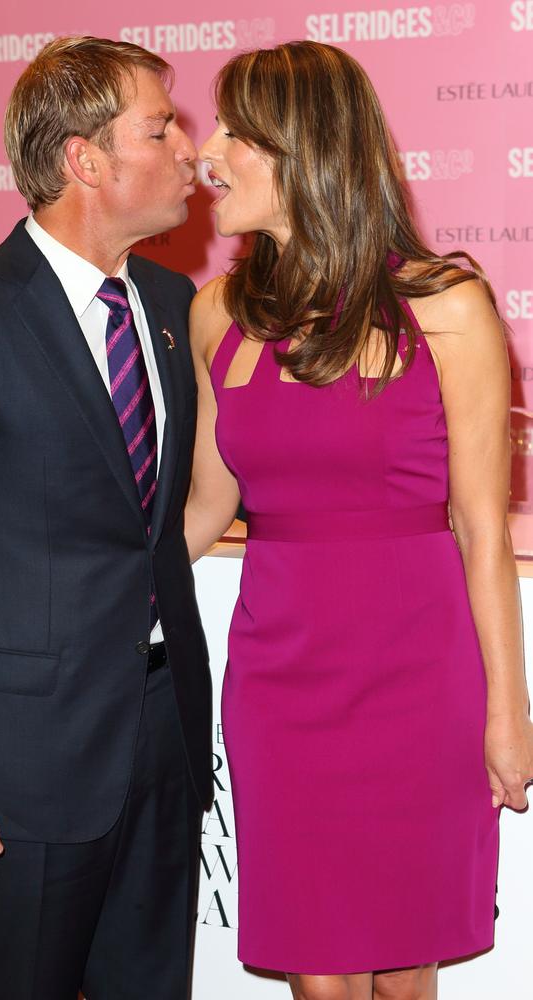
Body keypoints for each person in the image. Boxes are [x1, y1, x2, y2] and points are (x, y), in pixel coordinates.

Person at [185, 41, 533, 1000]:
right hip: (279, 680)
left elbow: (479, 527)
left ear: (302, 150)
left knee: (401, 967)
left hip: (419, 678)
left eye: (234, 132)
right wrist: (82, 583)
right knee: (320, 974)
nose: (206, 152)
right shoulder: (218, 313)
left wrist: (509, 714)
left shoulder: (449, 309)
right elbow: (207, 504)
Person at [0, 35, 212, 1000]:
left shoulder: (166, 300)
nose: (188, 152)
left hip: (163, 737)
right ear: (85, 160)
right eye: (160, 129)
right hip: (21, 769)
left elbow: (150, 524)